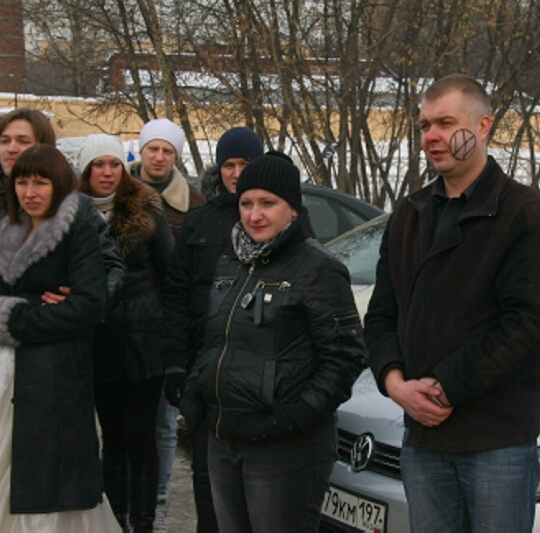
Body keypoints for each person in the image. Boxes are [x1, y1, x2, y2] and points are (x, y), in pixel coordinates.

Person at [364, 73, 540, 532]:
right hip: (423, 440)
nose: (431, 136)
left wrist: (446, 388)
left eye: (446, 123)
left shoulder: (521, 211)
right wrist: (394, 383)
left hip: (496, 442)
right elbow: (382, 315)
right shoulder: (409, 215)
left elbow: (528, 324)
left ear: (483, 126)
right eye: (424, 125)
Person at [180, 152, 365, 532]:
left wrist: (294, 418)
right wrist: (196, 389)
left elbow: (345, 357)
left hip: (285, 449)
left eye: (268, 203)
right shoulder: (232, 261)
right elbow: (215, 339)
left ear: (293, 208)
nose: (255, 215)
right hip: (225, 436)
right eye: (246, 203)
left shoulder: (317, 268)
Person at [0, 145, 121, 531]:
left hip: (56, 377)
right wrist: (39, 307)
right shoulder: (6, 230)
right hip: (7, 378)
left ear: (58, 185)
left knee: (50, 483)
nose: (29, 192)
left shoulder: (76, 231)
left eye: (40, 182)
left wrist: (14, 317)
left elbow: (88, 306)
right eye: (22, 182)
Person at [161, 126, 264, 533]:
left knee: (256, 492)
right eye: (229, 165)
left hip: (259, 378)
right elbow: (176, 296)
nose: (236, 173)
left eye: (245, 164)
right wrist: (174, 364)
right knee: (208, 486)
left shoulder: (282, 221)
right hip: (204, 373)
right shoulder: (199, 221)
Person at [78, 134, 175, 532]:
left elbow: (169, 275)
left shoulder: (146, 210)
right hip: (99, 343)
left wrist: (167, 335)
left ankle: (143, 521)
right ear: (86, 170)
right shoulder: (72, 213)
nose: (107, 172)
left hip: (143, 342)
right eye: (98, 165)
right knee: (112, 438)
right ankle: (115, 519)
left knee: (141, 437)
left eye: (114, 164)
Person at [129, 117, 205, 509]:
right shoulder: (114, 188)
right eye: (153, 149)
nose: (158, 157)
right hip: (121, 326)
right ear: (141, 151)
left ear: (176, 157)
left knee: (162, 421)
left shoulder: (192, 203)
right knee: (123, 423)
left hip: (169, 325)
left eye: (167, 151)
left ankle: (157, 497)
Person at [0, 108, 126, 304]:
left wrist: (83, 300)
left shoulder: (74, 204)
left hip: (51, 318)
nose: (12, 148)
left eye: (23, 141)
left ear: (45, 147)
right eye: (4, 141)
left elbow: (112, 268)